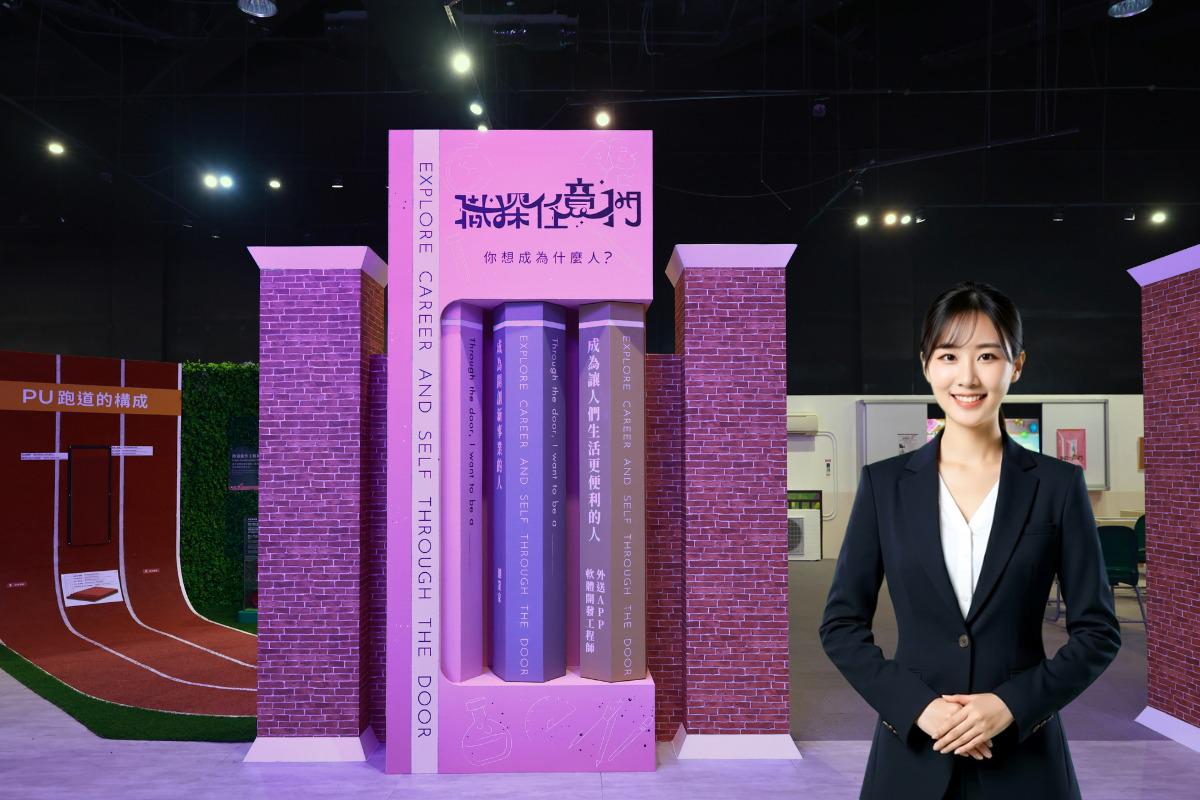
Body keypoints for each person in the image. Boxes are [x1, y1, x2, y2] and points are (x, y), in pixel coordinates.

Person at [818, 281, 1121, 799]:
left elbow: (1098, 633)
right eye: (949, 356)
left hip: (1025, 760)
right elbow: (841, 626)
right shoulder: (884, 485)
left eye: (987, 356)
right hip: (912, 755)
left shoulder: (1057, 485)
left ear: (1016, 365)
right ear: (926, 365)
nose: (967, 377)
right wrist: (918, 707)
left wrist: (1011, 705)